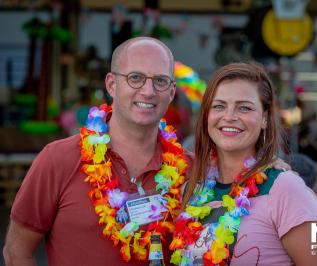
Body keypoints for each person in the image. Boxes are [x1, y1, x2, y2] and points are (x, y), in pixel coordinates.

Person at [3, 37, 187, 266]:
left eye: (160, 80)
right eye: (135, 78)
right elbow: (17, 252)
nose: (148, 91)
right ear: (111, 84)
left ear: (171, 91)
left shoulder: (189, 168)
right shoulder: (58, 159)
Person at [170, 62, 317, 265]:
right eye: (219, 106)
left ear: (265, 119)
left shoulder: (285, 188)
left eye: (244, 108)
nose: (230, 116)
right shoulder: (191, 188)